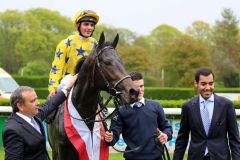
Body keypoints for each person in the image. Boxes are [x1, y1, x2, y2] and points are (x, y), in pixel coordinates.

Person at [2, 74, 77, 160]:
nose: (37, 103)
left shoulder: (34, 116)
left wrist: (67, 87)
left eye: (36, 99)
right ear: (20, 106)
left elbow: (51, 104)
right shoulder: (12, 130)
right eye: (32, 101)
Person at [173, 68, 240, 160]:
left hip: (221, 157)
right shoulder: (188, 107)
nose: (208, 88)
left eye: (211, 83)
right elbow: (182, 138)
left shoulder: (226, 105)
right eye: (203, 84)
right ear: (196, 84)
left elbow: (234, 139)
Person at [104, 72, 172, 160]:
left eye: (141, 86)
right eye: (136, 87)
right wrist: (109, 138)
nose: (140, 90)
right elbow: (113, 135)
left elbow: (167, 128)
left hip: (157, 157)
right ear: (129, 88)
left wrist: (166, 135)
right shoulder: (121, 110)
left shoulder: (156, 106)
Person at [48, 9, 99, 96]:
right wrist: (53, 87)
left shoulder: (95, 44)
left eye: (92, 25)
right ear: (78, 25)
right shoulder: (65, 43)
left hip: (90, 82)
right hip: (69, 79)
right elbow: (57, 67)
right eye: (86, 24)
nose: (89, 28)